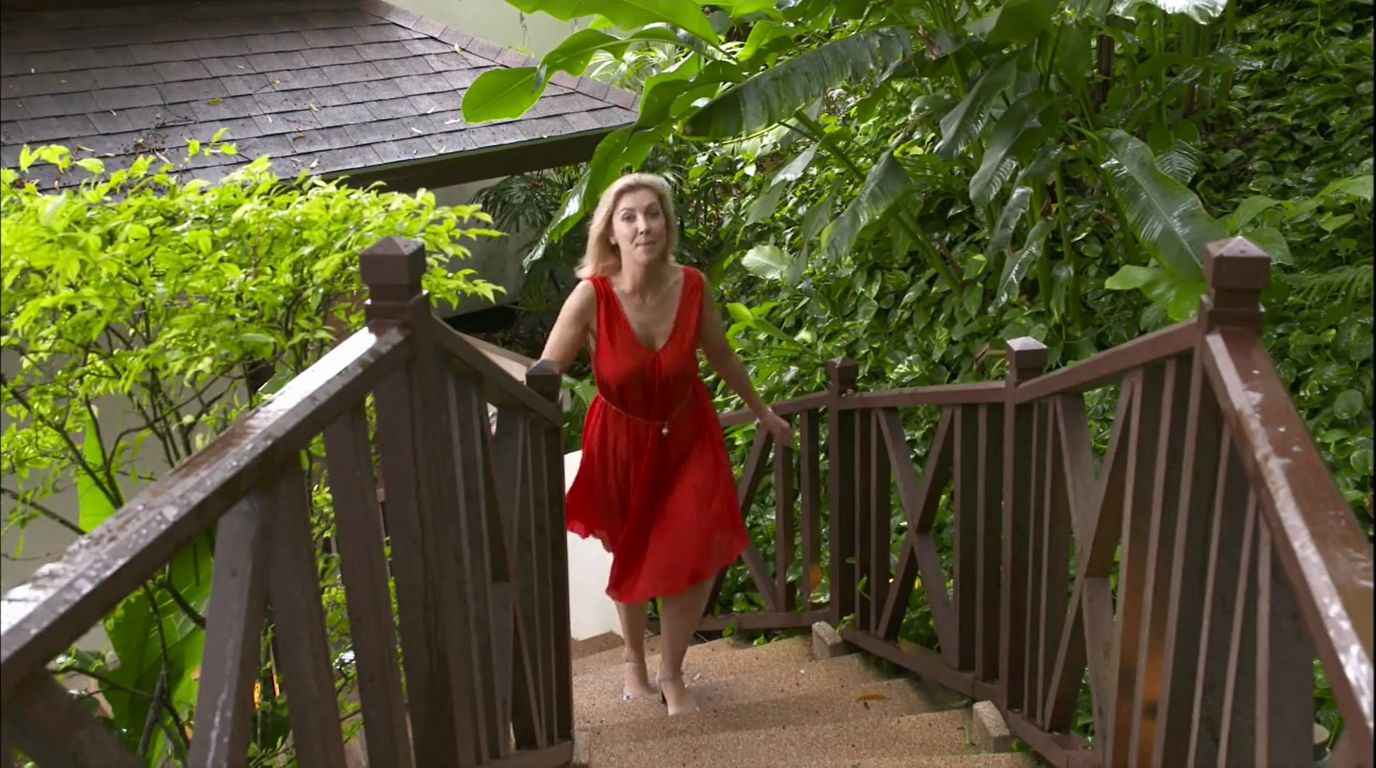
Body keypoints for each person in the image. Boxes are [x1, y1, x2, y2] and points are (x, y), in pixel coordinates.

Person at [539, 172, 791, 716]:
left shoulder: (691, 285)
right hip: (621, 441)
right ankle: (634, 660)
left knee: (694, 547)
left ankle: (671, 672)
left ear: (667, 224)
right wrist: (508, 413)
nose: (643, 226)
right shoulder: (591, 296)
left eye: (652, 213)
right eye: (628, 217)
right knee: (631, 550)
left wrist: (762, 411)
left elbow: (721, 354)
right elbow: (547, 369)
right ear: (610, 232)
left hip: (687, 434)